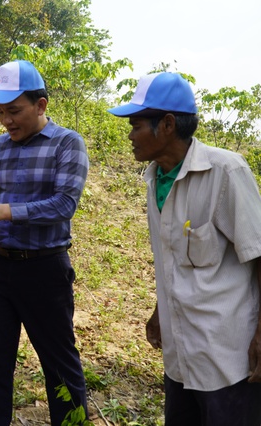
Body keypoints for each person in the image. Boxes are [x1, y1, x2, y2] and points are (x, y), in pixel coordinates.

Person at [108, 72, 261, 425]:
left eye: (136, 126)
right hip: (180, 355)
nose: (130, 136)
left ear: (167, 124)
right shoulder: (154, 178)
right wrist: (161, 309)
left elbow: (257, 253)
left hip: (227, 357)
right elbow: (173, 257)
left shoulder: (225, 172)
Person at [0, 60, 90, 425]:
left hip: (44, 268)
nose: (6, 121)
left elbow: (65, 204)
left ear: (41, 105)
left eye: (14, 111)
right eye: (0, 112)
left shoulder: (67, 143)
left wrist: (5, 212)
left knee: (60, 365)